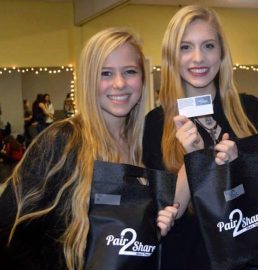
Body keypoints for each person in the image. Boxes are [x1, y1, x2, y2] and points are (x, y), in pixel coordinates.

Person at [0, 28, 178, 270]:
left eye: (129, 71)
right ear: (88, 79)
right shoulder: (63, 141)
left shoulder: (144, 146)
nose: (119, 83)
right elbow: (9, 224)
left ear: (143, 79)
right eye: (105, 73)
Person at [143, 5, 258, 270]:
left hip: (240, 257)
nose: (198, 58)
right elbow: (166, 214)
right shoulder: (157, 122)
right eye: (185, 47)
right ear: (172, 55)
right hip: (181, 258)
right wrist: (195, 160)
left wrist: (239, 168)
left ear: (221, 52)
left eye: (208, 46)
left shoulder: (251, 111)